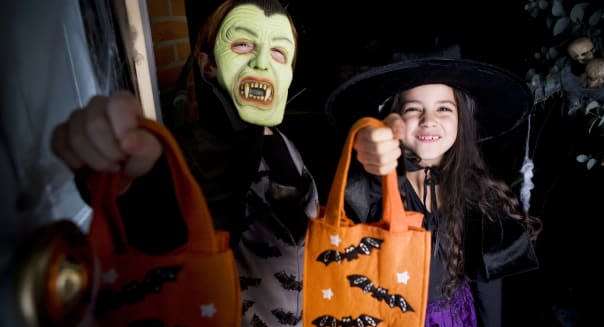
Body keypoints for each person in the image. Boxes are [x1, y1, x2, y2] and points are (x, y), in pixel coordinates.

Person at [51, 0, 318, 326]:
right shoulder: (189, 155)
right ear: (208, 66)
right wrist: (132, 174)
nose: (262, 62)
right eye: (243, 44)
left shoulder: (286, 147)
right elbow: (168, 221)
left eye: (279, 52)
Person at [324, 54, 542, 327]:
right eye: (414, 109)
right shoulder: (375, 189)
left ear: (462, 119)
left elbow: (488, 285)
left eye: (444, 109)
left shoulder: (477, 194)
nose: (428, 120)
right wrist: (377, 139)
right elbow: (361, 180)